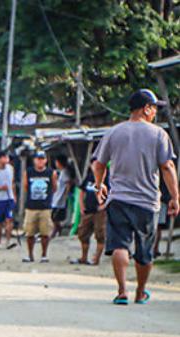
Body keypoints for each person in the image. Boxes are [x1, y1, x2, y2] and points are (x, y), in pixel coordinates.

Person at [92, 89, 179, 305]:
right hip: (147, 201)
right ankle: (140, 292)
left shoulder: (113, 132)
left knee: (120, 245)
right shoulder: (158, 134)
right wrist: (175, 197)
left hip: (118, 198)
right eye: (154, 108)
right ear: (145, 109)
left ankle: (122, 291)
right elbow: (167, 166)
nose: (155, 113)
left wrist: (99, 184)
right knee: (144, 250)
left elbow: (98, 163)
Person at [22, 151, 57, 263]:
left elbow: (54, 187)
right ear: (34, 160)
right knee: (29, 233)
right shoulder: (29, 172)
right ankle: (30, 254)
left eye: (42, 159)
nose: (40, 161)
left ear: (46, 160)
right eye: (38, 159)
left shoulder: (51, 172)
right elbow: (26, 187)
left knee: (45, 233)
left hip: (45, 207)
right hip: (31, 206)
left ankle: (44, 255)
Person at [72, 171, 106, 265]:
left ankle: (96, 259)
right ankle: (84, 257)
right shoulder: (89, 176)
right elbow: (82, 191)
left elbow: (113, 193)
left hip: (100, 212)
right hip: (88, 210)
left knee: (100, 235)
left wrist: (104, 206)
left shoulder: (107, 177)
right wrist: (81, 206)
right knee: (83, 234)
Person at [0, 151, 16, 249]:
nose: (6, 159)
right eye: (4, 157)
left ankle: (8, 240)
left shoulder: (10, 169)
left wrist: (14, 196)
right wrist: (0, 188)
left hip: (9, 198)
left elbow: (12, 182)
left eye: (7, 157)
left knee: (9, 219)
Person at [50, 156, 73, 238]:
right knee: (54, 216)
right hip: (56, 197)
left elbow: (68, 184)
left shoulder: (65, 172)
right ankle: (58, 230)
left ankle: (56, 231)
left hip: (60, 198)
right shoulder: (59, 172)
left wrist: (66, 195)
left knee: (55, 217)